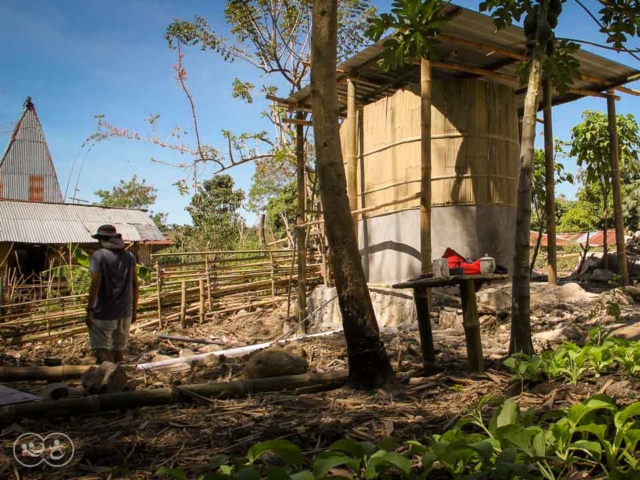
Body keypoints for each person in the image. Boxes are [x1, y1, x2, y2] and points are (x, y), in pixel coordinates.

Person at [85, 225, 139, 364]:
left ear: (101, 240)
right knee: (118, 349)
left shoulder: (99, 256)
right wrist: (134, 310)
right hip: (124, 312)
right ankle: (121, 381)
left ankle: (108, 381)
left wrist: (90, 310)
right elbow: (135, 285)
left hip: (104, 312)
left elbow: (95, 284)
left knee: (103, 349)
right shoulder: (129, 256)